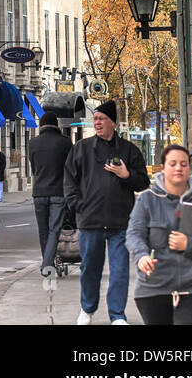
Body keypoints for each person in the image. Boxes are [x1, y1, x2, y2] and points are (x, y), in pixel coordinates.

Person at [64, 100, 149, 325]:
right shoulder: (81, 148)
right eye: (96, 119)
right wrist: (78, 205)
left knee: (120, 270)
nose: (98, 123)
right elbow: (69, 182)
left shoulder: (129, 150)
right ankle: (87, 308)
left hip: (120, 222)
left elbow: (143, 182)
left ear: (113, 122)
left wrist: (126, 175)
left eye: (102, 119)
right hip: (90, 221)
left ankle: (117, 315)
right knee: (89, 268)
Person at [127, 143, 192, 325]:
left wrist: (190, 245)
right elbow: (134, 234)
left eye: (183, 164)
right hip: (154, 286)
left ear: (190, 168)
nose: (178, 168)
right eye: (173, 163)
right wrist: (141, 257)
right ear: (162, 168)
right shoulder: (146, 200)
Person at [27, 112, 72, 274]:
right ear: (56, 125)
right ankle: (47, 264)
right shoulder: (65, 143)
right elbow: (71, 169)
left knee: (43, 230)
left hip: (39, 192)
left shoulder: (33, 143)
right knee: (54, 229)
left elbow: (33, 168)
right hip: (58, 192)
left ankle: (48, 263)